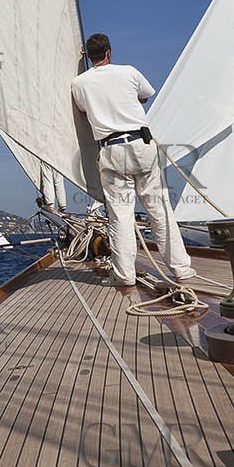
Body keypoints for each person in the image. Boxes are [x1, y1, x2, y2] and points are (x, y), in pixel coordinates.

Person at [71, 33, 195, 291]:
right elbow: (145, 95)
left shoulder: (79, 83)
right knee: (159, 209)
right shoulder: (128, 72)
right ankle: (181, 269)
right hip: (141, 145)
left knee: (120, 215)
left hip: (111, 149)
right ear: (109, 52)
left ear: (88, 56)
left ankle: (124, 276)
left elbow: (83, 111)